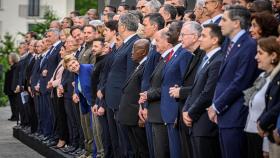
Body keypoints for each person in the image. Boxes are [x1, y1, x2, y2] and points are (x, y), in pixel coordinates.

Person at [208, 5, 260, 158]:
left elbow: (240, 82)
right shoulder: (229, 44)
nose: (220, 24)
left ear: (236, 23)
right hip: (225, 114)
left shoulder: (248, 45)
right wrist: (215, 105)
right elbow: (223, 79)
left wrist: (217, 105)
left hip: (236, 115)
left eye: (224, 20)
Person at [183, 23, 224, 158]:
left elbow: (208, 93)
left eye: (203, 36)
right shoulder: (206, 60)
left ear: (214, 40)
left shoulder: (218, 61)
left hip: (205, 124)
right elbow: (195, 89)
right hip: (196, 123)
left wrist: (191, 113)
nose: (200, 39)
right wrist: (185, 110)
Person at [169, 21, 204, 158]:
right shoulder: (192, 55)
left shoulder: (202, 56)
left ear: (195, 37)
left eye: (183, 35)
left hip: (195, 115)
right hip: (185, 111)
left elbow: (203, 87)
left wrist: (181, 92)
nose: (179, 38)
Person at [118, 39, 150, 158]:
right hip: (129, 115)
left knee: (142, 148)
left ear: (143, 51)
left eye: (134, 49)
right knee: (135, 147)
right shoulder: (139, 65)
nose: (132, 52)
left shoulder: (146, 66)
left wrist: (141, 112)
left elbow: (142, 90)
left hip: (136, 116)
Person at [63, 54, 95, 157]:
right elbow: (78, 85)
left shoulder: (88, 68)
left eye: (73, 62)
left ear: (77, 60)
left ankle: (95, 154)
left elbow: (97, 83)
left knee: (95, 131)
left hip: (94, 104)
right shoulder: (76, 74)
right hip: (86, 104)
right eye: (70, 66)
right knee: (87, 130)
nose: (73, 65)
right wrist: (76, 93)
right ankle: (89, 152)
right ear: (68, 69)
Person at [257, 36, 280, 158]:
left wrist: (263, 122)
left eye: (260, 53)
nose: (256, 57)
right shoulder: (268, 76)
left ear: (273, 56)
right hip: (268, 133)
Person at [4, 53, 20, 121]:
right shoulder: (11, 66)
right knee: (12, 103)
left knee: (15, 103)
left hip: (13, 88)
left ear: (13, 58)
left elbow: (15, 78)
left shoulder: (16, 66)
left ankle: (16, 116)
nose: (9, 59)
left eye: (10, 57)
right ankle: (13, 115)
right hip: (9, 88)